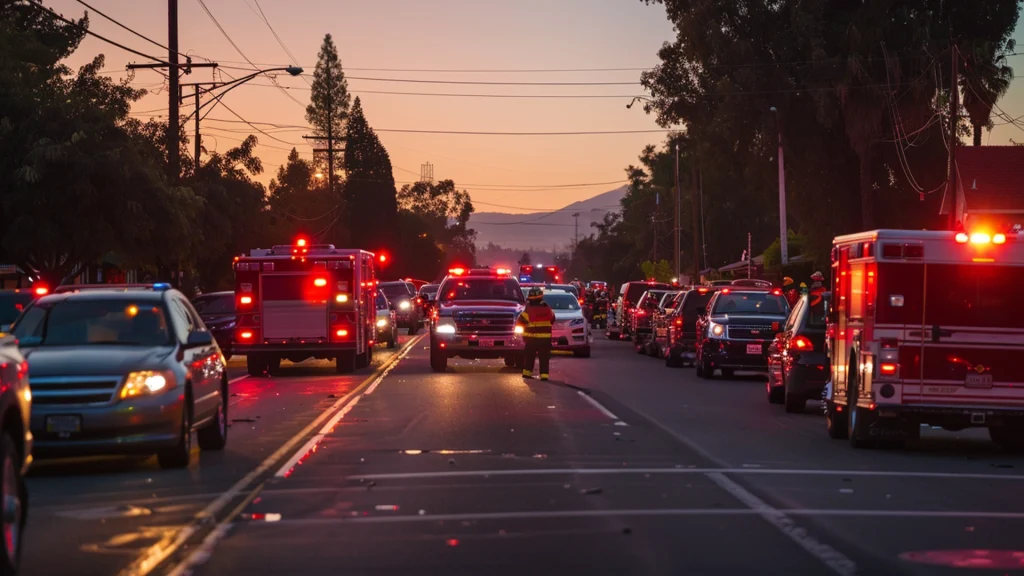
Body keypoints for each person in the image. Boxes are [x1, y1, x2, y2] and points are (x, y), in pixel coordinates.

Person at [517, 287, 554, 380]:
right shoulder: (547, 308)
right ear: (541, 298)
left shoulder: (528, 310)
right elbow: (552, 319)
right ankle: (544, 376)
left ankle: (527, 374)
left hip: (531, 339)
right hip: (545, 339)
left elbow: (520, 321)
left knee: (529, 357)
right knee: (544, 358)